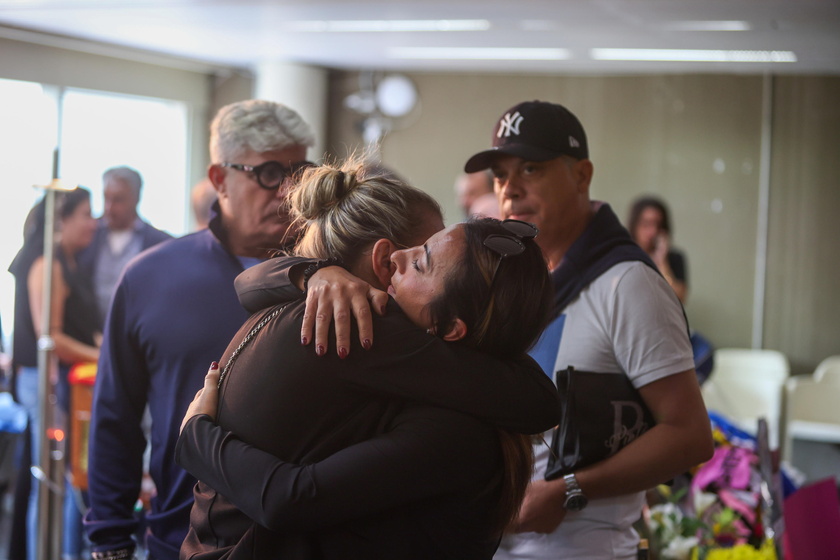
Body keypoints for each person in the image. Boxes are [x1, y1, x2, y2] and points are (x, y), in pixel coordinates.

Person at [175, 158, 558, 559]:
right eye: (419, 249)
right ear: (380, 258)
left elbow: (248, 283)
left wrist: (197, 435)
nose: (401, 259)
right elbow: (536, 400)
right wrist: (196, 437)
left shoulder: (299, 315)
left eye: (422, 260)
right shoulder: (358, 331)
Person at [461, 100, 714, 559]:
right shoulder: (518, 280)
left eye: (531, 169)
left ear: (582, 175)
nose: (511, 190)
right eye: (500, 175)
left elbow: (689, 435)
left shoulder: (629, 285)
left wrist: (569, 490)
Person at [84, 99, 317, 560]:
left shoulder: (330, 280)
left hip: (305, 540)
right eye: (269, 173)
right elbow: (116, 419)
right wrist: (110, 541)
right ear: (219, 180)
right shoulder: (150, 277)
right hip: (179, 538)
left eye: (300, 173)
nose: (287, 191)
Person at [8, 187, 100, 560]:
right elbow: (53, 336)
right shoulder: (46, 262)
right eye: (85, 215)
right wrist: (103, 354)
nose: (93, 224)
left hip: (64, 382)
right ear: (62, 221)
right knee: (53, 480)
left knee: (63, 479)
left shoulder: (68, 262)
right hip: (47, 382)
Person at [78, 166, 172, 328]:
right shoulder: (87, 236)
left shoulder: (160, 244)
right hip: (89, 335)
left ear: (136, 198)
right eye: (106, 198)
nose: (109, 207)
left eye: (118, 200)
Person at [627, 195, 688, 303]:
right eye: (646, 224)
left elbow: (679, 298)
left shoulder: (673, 258)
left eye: (658, 225)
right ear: (635, 225)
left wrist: (662, 261)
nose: (653, 231)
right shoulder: (624, 256)